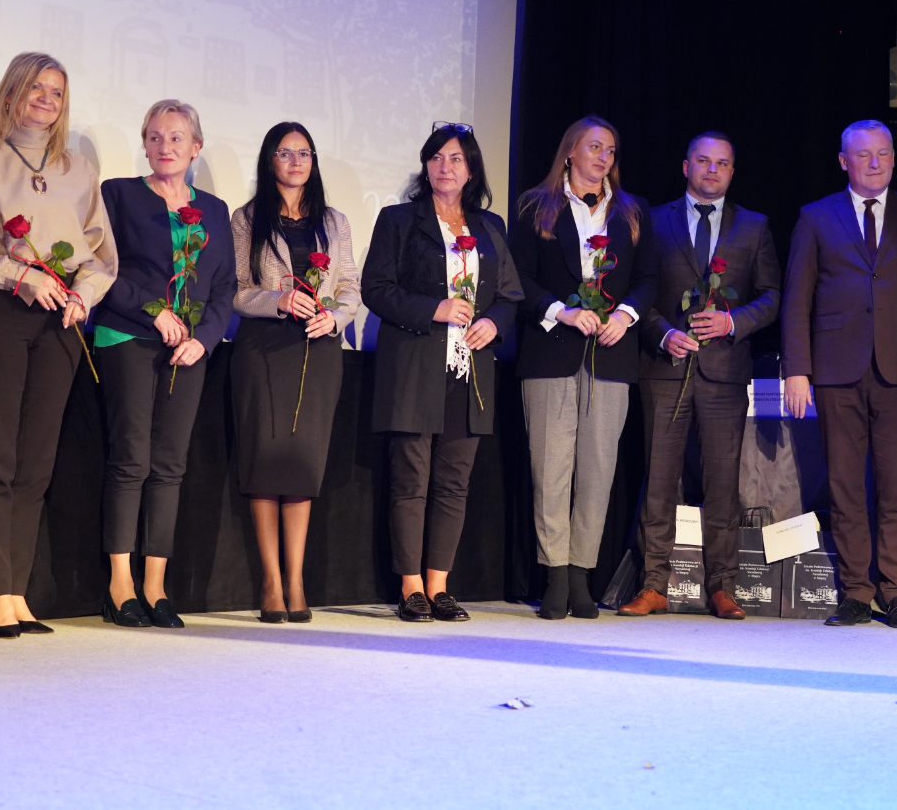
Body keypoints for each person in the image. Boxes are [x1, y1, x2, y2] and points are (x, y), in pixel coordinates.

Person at [0, 52, 117, 638]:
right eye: (36, 87)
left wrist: (82, 294)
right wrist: (23, 277)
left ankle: (17, 591)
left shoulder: (77, 168)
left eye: (57, 92)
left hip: (61, 320)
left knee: (37, 461)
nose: (46, 99)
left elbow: (100, 252)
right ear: (12, 92)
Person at [781, 120, 897, 630]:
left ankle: (895, 591)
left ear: (894, 158)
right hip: (836, 369)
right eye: (863, 154)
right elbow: (797, 297)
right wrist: (797, 369)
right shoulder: (815, 216)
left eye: (883, 153)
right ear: (844, 161)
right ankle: (856, 591)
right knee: (845, 486)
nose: (875, 163)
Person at [362, 122, 523, 623]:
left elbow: (510, 295)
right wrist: (435, 308)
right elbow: (375, 289)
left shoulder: (490, 226)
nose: (444, 167)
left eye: (455, 159)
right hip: (414, 365)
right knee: (411, 479)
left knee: (454, 483)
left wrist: (493, 323)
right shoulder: (398, 220)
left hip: (470, 372)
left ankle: (439, 585)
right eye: (436, 158)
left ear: (471, 169)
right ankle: (411, 587)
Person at [619, 132, 781, 620]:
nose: (713, 170)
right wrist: (661, 333)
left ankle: (722, 587)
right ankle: (654, 585)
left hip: (724, 371)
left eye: (722, 163)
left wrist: (733, 322)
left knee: (722, 485)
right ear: (686, 166)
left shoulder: (754, 225)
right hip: (664, 368)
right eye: (704, 161)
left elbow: (772, 296)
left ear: (732, 171)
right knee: (659, 481)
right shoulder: (653, 219)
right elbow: (636, 289)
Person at [95, 100, 236, 628]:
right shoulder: (119, 194)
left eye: (176, 138)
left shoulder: (215, 210)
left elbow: (224, 286)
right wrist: (153, 312)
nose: (165, 146)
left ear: (195, 147)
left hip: (189, 348)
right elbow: (102, 269)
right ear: (144, 144)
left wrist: (205, 339)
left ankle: (155, 585)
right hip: (128, 334)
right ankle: (120, 585)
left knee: (170, 464)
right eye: (155, 137)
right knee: (131, 458)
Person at [511, 116, 657, 619]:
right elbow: (519, 277)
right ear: (570, 152)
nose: (604, 158)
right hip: (551, 351)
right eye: (595, 147)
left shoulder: (632, 211)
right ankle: (554, 572)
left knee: (597, 470)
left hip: (611, 357)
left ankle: (581, 574)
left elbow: (649, 278)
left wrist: (625, 315)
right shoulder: (536, 205)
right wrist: (562, 312)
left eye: (611, 150)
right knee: (550, 467)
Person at [231, 122, 360, 623]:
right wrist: (279, 299)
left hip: (318, 347)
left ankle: (296, 579)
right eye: (285, 152)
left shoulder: (335, 221)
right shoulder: (247, 219)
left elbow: (349, 287)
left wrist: (337, 317)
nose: (296, 161)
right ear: (270, 159)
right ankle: (270, 580)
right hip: (265, 347)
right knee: (266, 463)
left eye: (304, 152)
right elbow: (238, 291)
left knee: (303, 466)